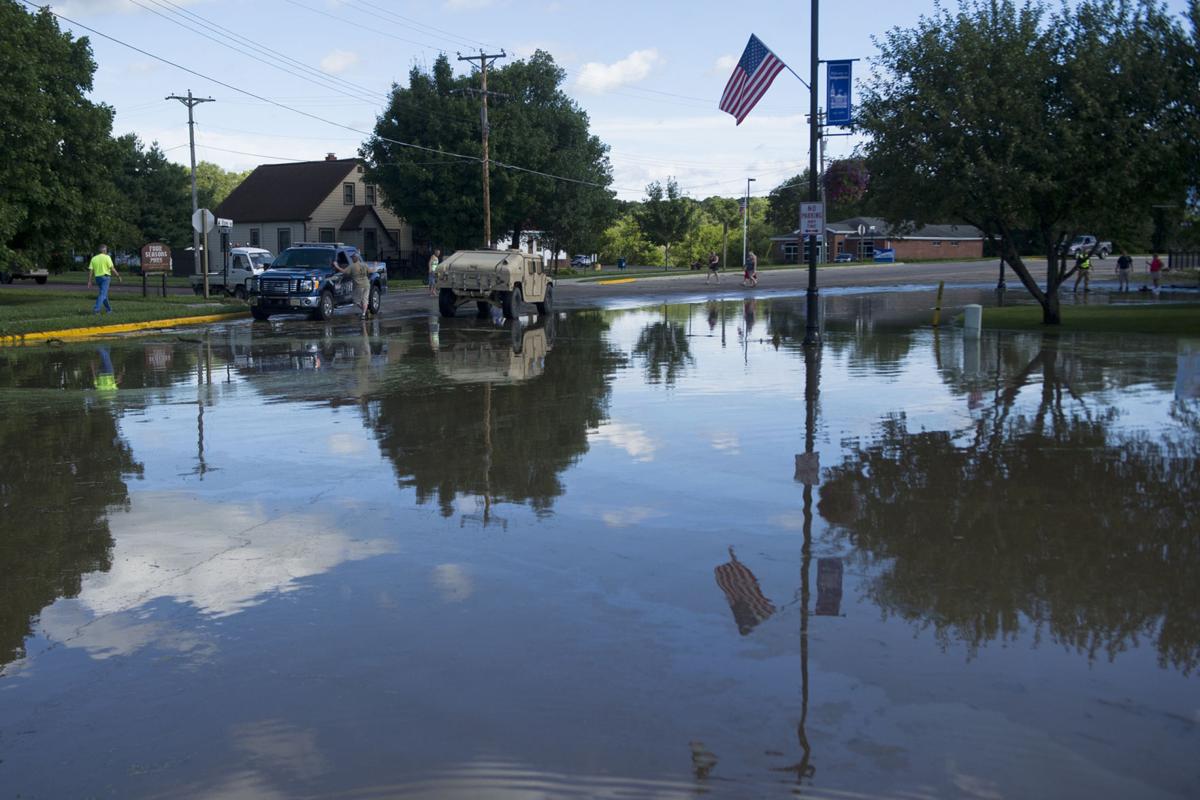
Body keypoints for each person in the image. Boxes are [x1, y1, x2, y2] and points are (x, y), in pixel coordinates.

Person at [336, 252, 373, 319]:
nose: (352, 259)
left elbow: (343, 271)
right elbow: (370, 271)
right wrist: (375, 265)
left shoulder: (352, 266)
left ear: (356, 258)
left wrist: (336, 266)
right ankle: (364, 313)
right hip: (367, 284)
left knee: (356, 301)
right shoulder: (364, 265)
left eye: (352, 258)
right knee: (365, 300)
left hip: (358, 286)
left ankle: (364, 312)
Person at [87, 244, 121, 314]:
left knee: (104, 294)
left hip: (97, 278)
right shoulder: (107, 257)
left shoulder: (94, 258)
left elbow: (91, 271)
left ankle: (109, 310)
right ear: (104, 250)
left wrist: (89, 281)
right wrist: (118, 276)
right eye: (106, 249)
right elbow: (112, 268)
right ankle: (96, 310)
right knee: (103, 294)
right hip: (105, 278)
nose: (106, 251)